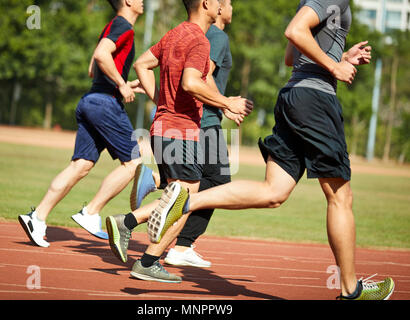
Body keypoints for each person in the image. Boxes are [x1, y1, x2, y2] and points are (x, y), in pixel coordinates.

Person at [145, 0, 395, 300]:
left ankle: (185, 202)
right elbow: (294, 31)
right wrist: (334, 65)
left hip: (294, 96)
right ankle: (350, 290)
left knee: (273, 192)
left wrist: (340, 55)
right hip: (316, 100)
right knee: (341, 197)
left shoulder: (311, 3)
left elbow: (292, 56)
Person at [105, 0, 253, 283]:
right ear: (207, 4)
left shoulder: (175, 33)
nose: (223, 5)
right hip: (180, 131)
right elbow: (190, 82)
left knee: (181, 197)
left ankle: (133, 229)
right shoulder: (200, 40)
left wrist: (160, 101)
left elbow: (142, 64)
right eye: (220, 1)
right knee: (187, 201)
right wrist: (226, 103)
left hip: (162, 128)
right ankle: (146, 257)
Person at [18, 0, 152, 247]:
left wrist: (124, 82)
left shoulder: (111, 26)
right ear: (127, 2)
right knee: (134, 161)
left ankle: (36, 218)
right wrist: (121, 85)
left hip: (91, 100)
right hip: (105, 105)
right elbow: (101, 55)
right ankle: (91, 212)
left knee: (80, 165)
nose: (143, 1)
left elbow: (94, 68)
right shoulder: (124, 26)